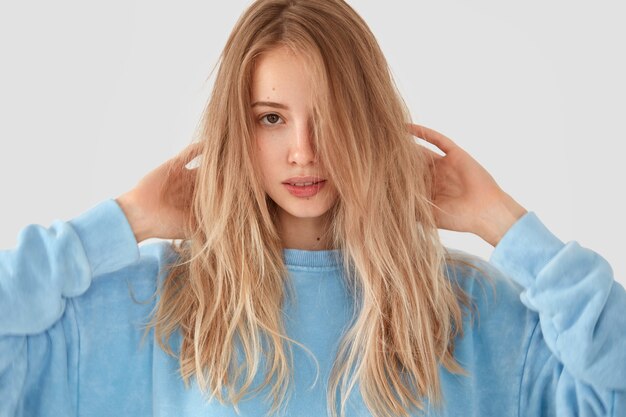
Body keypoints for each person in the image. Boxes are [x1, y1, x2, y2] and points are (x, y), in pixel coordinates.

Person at [1, 0, 625, 416]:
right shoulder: (159, 301)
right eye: (271, 119)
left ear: (370, 124)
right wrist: (121, 222)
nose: (303, 151)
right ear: (235, 134)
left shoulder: (461, 308)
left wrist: (501, 222)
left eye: (332, 118)